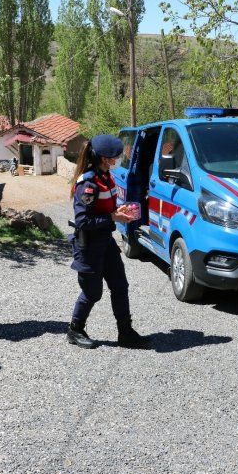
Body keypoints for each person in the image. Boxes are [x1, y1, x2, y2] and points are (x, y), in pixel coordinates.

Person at [66, 135, 149, 349]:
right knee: (93, 293)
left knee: (120, 287)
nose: (119, 158)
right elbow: (83, 220)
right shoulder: (88, 183)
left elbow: (103, 209)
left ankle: (126, 332)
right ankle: (75, 330)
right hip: (89, 245)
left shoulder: (106, 177)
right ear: (104, 158)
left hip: (106, 241)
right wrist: (113, 218)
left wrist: (117, 211)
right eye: (116, 155)